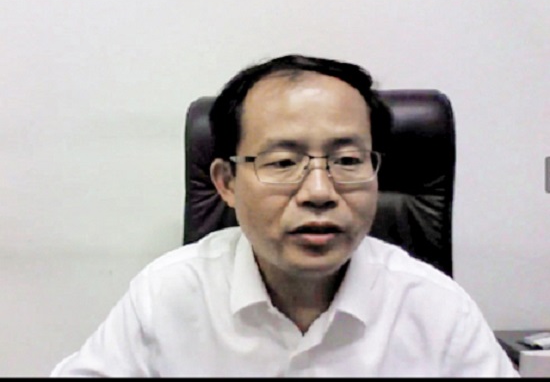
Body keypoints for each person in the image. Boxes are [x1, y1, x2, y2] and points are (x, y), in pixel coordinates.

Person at [50, 55, 518, 377]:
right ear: (226, 182)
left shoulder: (436, 309)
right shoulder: (168, 295)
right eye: (282, 162)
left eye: (347, 161)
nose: (319, 192)